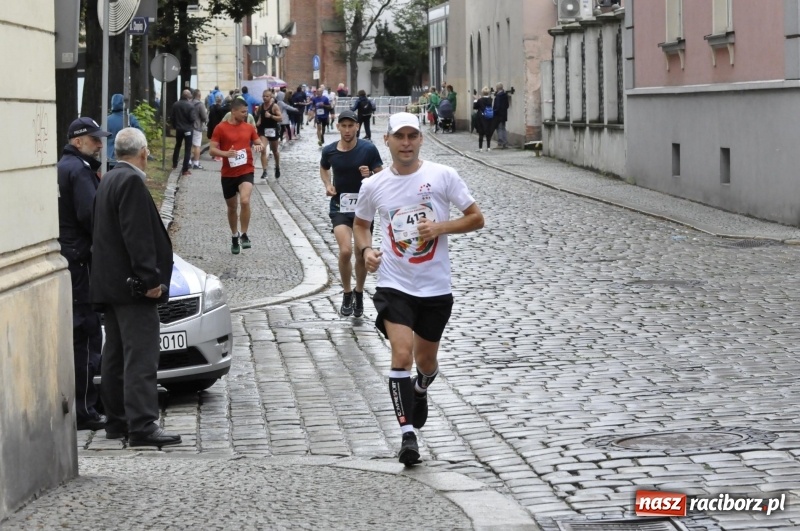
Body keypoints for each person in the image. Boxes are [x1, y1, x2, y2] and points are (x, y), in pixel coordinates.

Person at [353, 112, 484, 465]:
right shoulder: (374, 186)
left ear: (421, 139)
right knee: (401, 355)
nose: (407, 142)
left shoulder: (443, 176)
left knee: (425, 362)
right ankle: (407, 436)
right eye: (400, 136)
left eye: (413, 136)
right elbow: (361, 225)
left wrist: (440, 227)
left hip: (435, 287)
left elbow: (476, 218)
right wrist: (367, 250)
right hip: (394, 284)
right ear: (388, 140)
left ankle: (421, 388)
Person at [90, 127, 182, 447]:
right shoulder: (130, 181)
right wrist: (150, 281)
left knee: (115, 355)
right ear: (143, 153)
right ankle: (142, 424)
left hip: (111, 285)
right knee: (141, 355)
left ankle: (117, 421)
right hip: (132, 288)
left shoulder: (109, 179)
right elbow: (137, 236)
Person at [57, 117, 111, 432]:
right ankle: (86, 409)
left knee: (81, 335)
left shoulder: (62, 166)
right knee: (88, 335)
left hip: (69, 257)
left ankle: (87, 403)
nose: (100, 144)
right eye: (94, 139)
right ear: (79, 141)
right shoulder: (79, 171)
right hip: (80, 262)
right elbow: (92, 216)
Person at [320, 110, 384, 317]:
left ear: (357, 126)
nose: (347, 130)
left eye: (351, 126)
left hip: (363, 210)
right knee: (346, 251)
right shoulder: (329, 150)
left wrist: (370, 174)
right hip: (340, 207)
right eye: (343, 126)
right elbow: (324, 168)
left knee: (359, 254)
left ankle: (359, 293)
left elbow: (382, 174)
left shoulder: (368, 149)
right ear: (337, 127)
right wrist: (328, 184)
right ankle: (347, 293)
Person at [209, 98, 264, 254]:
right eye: (243, 112)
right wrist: (226, 154)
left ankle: (244, 235)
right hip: (228, 173)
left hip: (246, 170)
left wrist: (259, 145)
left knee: (245, 201)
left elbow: (258, 141)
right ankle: (235, 235)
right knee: (232, 207)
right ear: (233, 111)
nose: (246, 115)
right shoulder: (221, 128)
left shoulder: (249, 128)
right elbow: (212, 149)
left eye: (246, 112)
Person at [107, 94, 142, 169]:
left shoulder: (106, 120)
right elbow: (140, 136)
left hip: (109, 159)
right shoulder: (130, 119)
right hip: (127, 159)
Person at [254, 89, 282, 180]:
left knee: (275, 151)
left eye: (267, 96)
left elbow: (280, 118)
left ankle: (277, 166)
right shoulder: (261, 106)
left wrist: (271, 116)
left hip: (273, 130)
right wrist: (258, 121)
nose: (265, 98)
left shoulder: (274, 106)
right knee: (263, 149)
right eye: (264, 96)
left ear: (271, 97)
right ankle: (264, 171)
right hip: (263, 131)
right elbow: (259, 116)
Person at [171, 89, 196, 176]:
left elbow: (172, 117)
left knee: (177, 145)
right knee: (187, 149)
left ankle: (174, 164)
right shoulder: (190, 106)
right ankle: (185, 169)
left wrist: (175, 126)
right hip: (188, 129)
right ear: (188, 96)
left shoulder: (175, 104)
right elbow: (192, 119)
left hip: (179, 129)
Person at [191, 89, 208, 169]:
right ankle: (196, 163)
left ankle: (188, 161)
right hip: (197, 126)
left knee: (190, 145)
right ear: (199, 96)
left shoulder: (189, 102)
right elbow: (204, 117)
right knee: (197, 146)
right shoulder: (200, 104)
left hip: (189, 126)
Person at [473, 86, 495, 152]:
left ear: (482, 92)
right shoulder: (490, 99)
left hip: (481, 117)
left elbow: (475, 107)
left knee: (481, 133)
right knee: (488, 132)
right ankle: (488, 147)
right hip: (488, 117)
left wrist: (475, 99)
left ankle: (480, 148)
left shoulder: (480, 100)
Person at [493, 83, 510, 149]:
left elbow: (497, 107)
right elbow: (507, 105)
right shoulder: (505, 95)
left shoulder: (498, 96)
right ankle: (505, 143)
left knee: (499, 129)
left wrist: (494, 113)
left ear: (497, 88)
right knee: (503, 128)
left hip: (498, 116)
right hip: (504, 115)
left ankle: (500, 143)